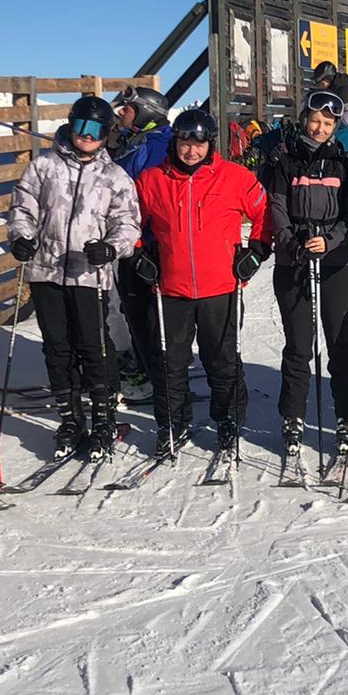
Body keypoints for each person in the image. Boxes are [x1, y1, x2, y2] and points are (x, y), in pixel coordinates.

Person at [134, 107, 272, 461]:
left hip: (221, 287)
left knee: (221, 360)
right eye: (185, 143)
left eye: (199, 144)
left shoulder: (234, 177)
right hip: (171, 288)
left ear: (210, 145)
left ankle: (228, 420)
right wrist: (139, 254)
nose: (191, 151)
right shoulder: (152, 180)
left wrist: (256, 251)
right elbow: (129, 219)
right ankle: (172, 423)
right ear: (175, 142)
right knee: (170, 363)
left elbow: (264, 213)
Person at [9, 96, 141, 460]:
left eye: (96, 130)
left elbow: (128, 222)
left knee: (95, 348)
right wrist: (21, 238)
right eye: (82, 126)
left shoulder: (115, 177)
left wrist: (111, 249)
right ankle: (70, 419)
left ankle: (103, 419)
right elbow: (22, 207)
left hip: (88, 275)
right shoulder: (44, 167)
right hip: (46, 271)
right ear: (71, 124)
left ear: (106, 134)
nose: (87, 136)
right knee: (57, 349)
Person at [262, 87, 348, 473]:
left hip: (335, 261)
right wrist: (292, 243)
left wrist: (331, 240)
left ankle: (346, 415)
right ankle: (292, 417)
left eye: (328, 123)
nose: (320, 128)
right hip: (294, 261)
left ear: (336, 126)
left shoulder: (344, 165)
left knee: (339, 342)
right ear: (304, 118)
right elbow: (275, 206)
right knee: (299, 345)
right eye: (315, 120)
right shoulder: (284, 161)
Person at [107, 85, 174, 404]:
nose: (122, 113)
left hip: (144, 242)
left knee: (144, 311)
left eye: (128, 109)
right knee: (136, 308)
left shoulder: (156, 145)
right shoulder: (140, 141)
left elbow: (141, 192)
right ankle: (149, 363)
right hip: (136, 239)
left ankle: (154, 373)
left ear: (146, 113)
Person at [312, 61, 348, 153]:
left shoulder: (343, 91)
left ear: (329, 79)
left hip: (340, 140)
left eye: (322, 83)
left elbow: (347, 119)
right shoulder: (327, 91)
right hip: (326, 139)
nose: (321, 87)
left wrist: (331, 124)